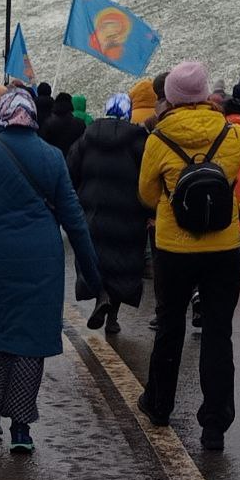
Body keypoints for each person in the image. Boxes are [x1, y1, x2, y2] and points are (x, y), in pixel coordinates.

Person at [0, 89, 100, 453]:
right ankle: (23, 428)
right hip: (41, 259)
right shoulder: (52, 156)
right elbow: (73, 218)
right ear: (32, 117)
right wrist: (91, 269)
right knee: (30, 339)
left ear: (3, 117)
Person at [137, 61, 240, 451]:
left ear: (170, 97)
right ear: (205, 94)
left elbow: (146, 194)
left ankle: (159, 405)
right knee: (218, 334)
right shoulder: (233, 133)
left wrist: (168, 205)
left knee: (170, 328)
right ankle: (214, 425)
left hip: (173, 249)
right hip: (222, 249)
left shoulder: (159, 137)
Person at [67, 93, 149, 335]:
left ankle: (100, 295)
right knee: (122, 263)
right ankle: (113, 315)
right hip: (129, 214)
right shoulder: (139, 140)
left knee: (94, 257)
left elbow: (70, 171)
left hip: (92, 210)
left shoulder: (86, 138)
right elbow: (148, 178)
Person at [39, 92, 86, 157]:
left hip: (52, 159)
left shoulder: (48, 123)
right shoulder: (80, 124)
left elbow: (42, 144)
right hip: (72, 161)